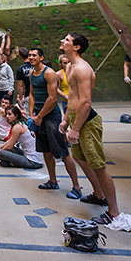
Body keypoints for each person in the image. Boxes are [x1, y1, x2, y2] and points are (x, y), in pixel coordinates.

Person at [59, 32, 120, 225]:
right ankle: (98, 194)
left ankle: (114, 212)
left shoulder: (83, 69)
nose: (63, 41)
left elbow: (85, 102)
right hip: (76, 118)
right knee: (79, 156)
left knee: (98, 165)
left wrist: (75, 129)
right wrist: (66, 120)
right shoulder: (69, 66)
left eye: (67, 40)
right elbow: (72, 98)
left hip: (87, 121)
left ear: (76, 47)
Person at [27, 47, 82, 197]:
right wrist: (32, 114)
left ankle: (76, 186)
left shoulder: (49, 73)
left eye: (34, 55)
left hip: (51, 116)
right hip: (38, 116)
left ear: (41, 57)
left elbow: (52, 99)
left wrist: (40, 117)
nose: (31, 57)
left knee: (63, 151)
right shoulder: (32, 73)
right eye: (30, 55)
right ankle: (52, 180)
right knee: (45, 150)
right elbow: (31, 94)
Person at [0, 105, 44, 170]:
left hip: (33, 162)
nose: (7, 116)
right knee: (9, 150)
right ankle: (7, 161)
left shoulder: (17, 127)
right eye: (6, 114)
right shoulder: (21, 123)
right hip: (33, 157)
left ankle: (6, 161)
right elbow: (11, 140)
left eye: (9, 114)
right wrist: (1, 147)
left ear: (16, 116)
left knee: (2, 153)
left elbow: (9, 146)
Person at [0, 36, 15, 112]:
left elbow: (11, 78)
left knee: (8, 106)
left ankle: (9, 120)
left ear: (3, 59)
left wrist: (10, 89)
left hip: (7, 88)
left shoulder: (7, 67)